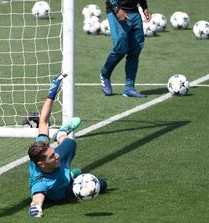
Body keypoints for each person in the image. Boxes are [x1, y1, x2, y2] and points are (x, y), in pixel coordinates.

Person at [27, 73, 107, 217]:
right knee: (101, 185)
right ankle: (71, 175)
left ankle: (61, 133)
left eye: (53, 151)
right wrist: (36, 207)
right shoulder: (41, 183)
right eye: (52, 156)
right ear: (42, 164)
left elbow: (44, 121)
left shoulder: (46, 152)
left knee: (70, 143)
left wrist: (52, 91)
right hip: (63, 190)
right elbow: (37, 198)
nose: (56, 154)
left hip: (59, 167)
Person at [100, 0, 152, 98]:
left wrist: (144, 6)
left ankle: (129, 88)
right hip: (117, 11)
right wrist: (117, 9)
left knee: (135, 50)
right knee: (120, 48)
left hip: (134, 11)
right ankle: (105, 74)